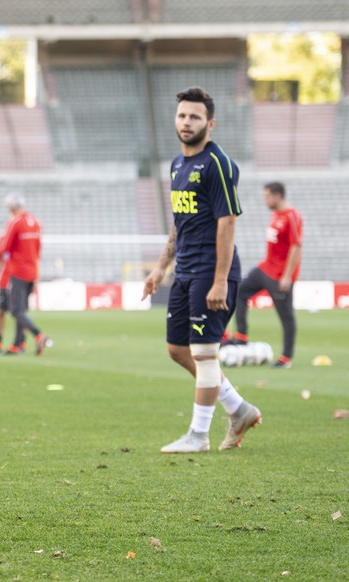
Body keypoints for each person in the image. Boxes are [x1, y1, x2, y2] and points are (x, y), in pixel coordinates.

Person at [142, 87, 261, 454]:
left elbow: (227, 223)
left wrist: (221, 281)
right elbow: (180, 222)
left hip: (212, 272)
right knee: (178, 349)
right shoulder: (178, 165)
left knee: (205, 352)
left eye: (194, 117)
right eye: (182, 116)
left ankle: (198, 435)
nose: (187, 122)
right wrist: (161, 267)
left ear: (210, 123)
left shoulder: (218, 164)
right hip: (186, 271)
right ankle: (239, 409)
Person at [226, 182, 302, 369]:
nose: (265, 200)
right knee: (239, 291)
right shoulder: (276, 214)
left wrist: (287, 276)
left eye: (267, 196)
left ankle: (286, 357)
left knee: (286, 316)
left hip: (280, 276)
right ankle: (242, 336)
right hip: (265, 268)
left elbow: (296, 246)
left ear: (278, 196)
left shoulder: (292, 216)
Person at [0, 193, 51, 355]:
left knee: (15, 311)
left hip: (18, 271)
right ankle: (18, 345)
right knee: (22, 310)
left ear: (12, 207)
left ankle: (39, 335)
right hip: (32, 272)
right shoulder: (36, 223)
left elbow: (3, 249)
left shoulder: (15, 222)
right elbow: (38, 252)